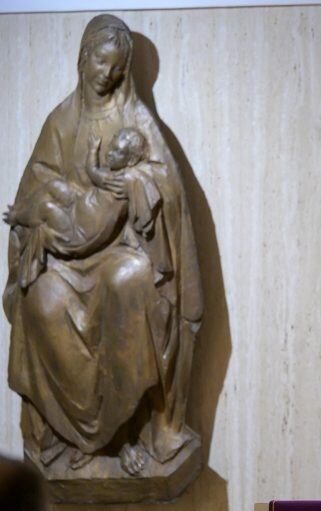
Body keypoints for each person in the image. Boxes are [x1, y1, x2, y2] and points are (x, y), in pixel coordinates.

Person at [4, 14, 202, 477]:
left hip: (120, 249)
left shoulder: (135, 120)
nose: (106, 74)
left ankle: (123, 435)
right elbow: (36, 187)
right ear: (83, 57)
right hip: (66, 254)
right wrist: (47, 213)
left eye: (116, 67)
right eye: (99, 61)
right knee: (41, 300)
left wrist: (131, 182)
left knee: (130, 282)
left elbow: (167, 190)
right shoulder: (61, 121)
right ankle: (73, 433)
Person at [3, 128, 160, 265]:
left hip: (77, 234)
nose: (110, 154)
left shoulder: (122, 181)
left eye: (117, 152)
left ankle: (17, 217)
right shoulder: (112, 173)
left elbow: (93, 171)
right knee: (54, 185)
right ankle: (25, 210)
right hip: (77, 206)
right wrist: (93, 150)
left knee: (47, 208)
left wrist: (92, 151)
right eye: (111, 148)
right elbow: (93, 172)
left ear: (131, 160)